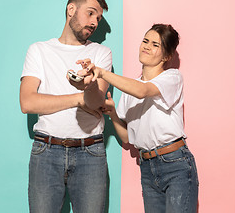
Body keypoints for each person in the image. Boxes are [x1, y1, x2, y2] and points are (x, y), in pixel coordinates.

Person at [78, 24, 199, 212]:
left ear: (166, 56)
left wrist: (101, 73)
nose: (147, 46)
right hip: (147, 167)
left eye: (155, 45)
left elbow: (143, 91)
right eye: (145, 41)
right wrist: (113, 114)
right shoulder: (129, 90)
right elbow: (127, 138)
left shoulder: (172, 77)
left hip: (175, 163)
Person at [19, 0, 111, 213]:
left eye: (98, 18)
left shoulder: (101, 54)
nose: (94, 22)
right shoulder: (39, 50)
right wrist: (80, 97)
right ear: (71, 9)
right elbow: (28, 103)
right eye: (90, 13)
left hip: (90, 152)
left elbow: (95, 101)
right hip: (46, 151)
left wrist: (88, 89)